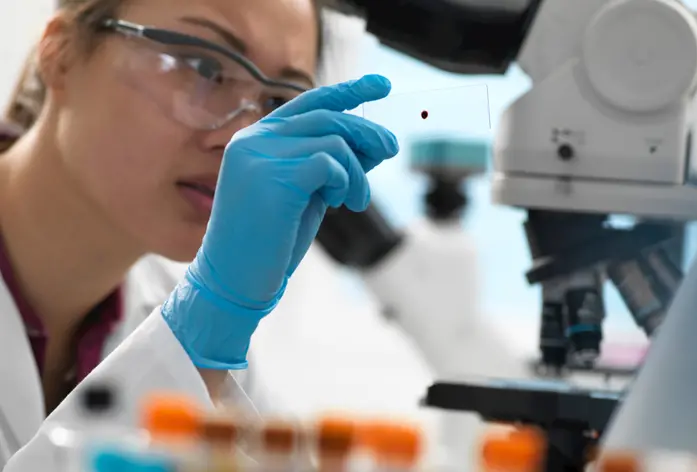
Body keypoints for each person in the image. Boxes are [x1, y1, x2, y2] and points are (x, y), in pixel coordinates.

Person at [0, 0, 398, 469]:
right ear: (61, 54)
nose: (240, 141)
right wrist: (204, 324)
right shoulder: (196, 327)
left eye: (277, 103)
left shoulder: (185, 323)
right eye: (204, 68)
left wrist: (207, 327)